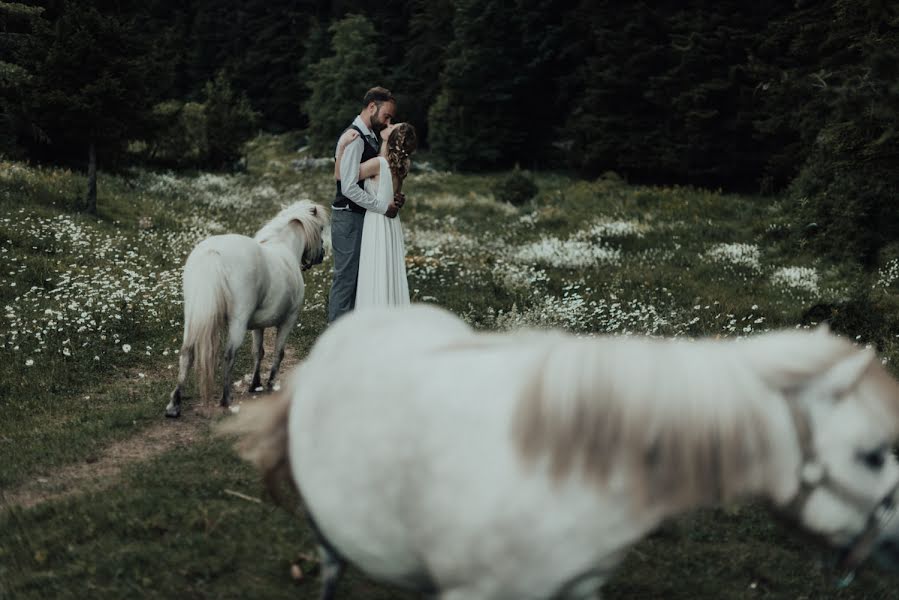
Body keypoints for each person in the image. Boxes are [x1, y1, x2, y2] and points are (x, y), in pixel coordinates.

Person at [327, 86, 404, 323]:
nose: (388, 121)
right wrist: (382, 207)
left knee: (362, 279)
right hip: (349, 217)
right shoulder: (354, 137)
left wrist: (391, 195)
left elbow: (374, 178)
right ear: (372, 107)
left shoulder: (370, 135)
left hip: (363, 216)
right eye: (386, 116)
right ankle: (336, 341)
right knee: (347, 279)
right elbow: (348, 186)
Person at [335, 122, 417, 307]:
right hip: (391, 223)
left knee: (375, 271)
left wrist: (341, 148)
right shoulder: (401, 165)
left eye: (392, 125)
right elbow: (394, 194)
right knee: (388, 270)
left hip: (377, 221)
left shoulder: (378, 164)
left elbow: (342, 176)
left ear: (392, 137)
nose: (387, 124)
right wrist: (399, 198)